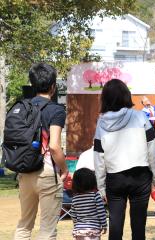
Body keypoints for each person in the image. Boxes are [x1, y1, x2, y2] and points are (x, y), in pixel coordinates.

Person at [93, 79, 155, 240]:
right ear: (126, 96)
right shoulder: (140, 117)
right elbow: (152, 150)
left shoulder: (101, 123)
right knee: (139, 227)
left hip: (114, 178)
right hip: (141, 176)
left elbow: (99, 157)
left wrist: (101, 187)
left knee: (115, 227)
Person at [14, 63, 68, 239]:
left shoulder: (21, 107)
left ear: (32, 84)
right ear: (53, 86)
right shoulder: (56, 110)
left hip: (24, 171)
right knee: (47, 229)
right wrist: (65, 169)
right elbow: (54, 146)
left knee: (24, 225)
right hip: (47, 173)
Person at [71, 168, 107, 240]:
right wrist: (104, 225)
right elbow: (101, 212)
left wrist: (77, 225)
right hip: (93, 230)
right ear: (93, 181)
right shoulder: (95, 196)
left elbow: (73, 214)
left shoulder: (75, 198)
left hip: (79, 231)